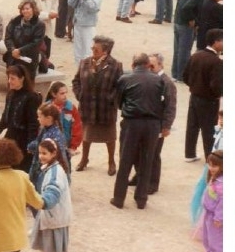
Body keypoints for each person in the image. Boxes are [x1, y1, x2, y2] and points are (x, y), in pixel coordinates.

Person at [110, 53, 172, 210]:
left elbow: (118, 102)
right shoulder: (160, 80)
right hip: (152, 125)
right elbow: (165, 103)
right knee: (147, 160)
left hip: (132, 122)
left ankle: (119, 198)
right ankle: (141, 199)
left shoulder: (125, 79)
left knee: (125, 160)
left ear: (133, 65)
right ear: (147, 65)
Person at [72, 35, 122, 176]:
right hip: (88, 106)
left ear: (105, 51)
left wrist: (111, 99)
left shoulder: (116, 66)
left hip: (105, 108)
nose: (92, 50)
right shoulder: (84, 63)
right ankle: (84, 159)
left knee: (109, 137)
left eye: (96, 48)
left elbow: (120, 86)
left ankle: (111, 161)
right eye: (93, 47)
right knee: (86, 135)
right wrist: (79, 94)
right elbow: (76, 81)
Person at [29, 138, 74, 252]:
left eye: (45, 153)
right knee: (37, 236)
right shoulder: (50, 167)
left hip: (54, 214)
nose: (41, 156)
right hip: (48, 213)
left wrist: (43, 202)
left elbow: (52, 191)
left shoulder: (55, 172)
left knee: (54, 247)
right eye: (40, 153)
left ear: (54, 153)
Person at [183, 29, 223, 162]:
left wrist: (194, 87)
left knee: (192, 126)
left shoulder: (196, 55)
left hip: (194, 96)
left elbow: (185, 76)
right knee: (209, 130)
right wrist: (218, 95)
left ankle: (189, 154)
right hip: (209, 100)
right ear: (216, 42)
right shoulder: (216, 61)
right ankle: (210, 158)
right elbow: (216, 85)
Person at [0, 64, 41, 175]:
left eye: (13, 78)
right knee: (2, 167)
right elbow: (6, 116)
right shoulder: (10, 94)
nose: (10, 81)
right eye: (9, 78)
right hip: (10, 136)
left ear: (22, 78)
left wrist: (31, 145)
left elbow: (33, 123)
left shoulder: (31, 97)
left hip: (23, 140)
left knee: (20, 172)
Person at [3, 0, 45, 80]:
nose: (25, 11)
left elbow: (36, 42)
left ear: (33, 9)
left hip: (29, 59)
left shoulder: (39, 24)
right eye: (23, 9)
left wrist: (20, 51)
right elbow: (8, 37)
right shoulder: (14, 21)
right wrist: (13, 49)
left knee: (27, 84)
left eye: (27, 9)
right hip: (13, 58)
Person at [44, 81, 83, 168]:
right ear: (54, 94)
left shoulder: (71, 108)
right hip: (49, 146)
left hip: (66, 147)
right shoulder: (46, 108)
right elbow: (41, 127)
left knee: (65, 169)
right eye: (62, 93)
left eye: (66, 93)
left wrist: (73, 146)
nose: (65, 95)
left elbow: (77, 127)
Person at [67, 0, 103, 64]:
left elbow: (93, 8)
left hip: (88, 24)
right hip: (77, 23)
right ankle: (78, 68)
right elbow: (70, 2)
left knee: (88, 48)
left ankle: (88, 68)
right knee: (78, 49)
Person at [26, 103, 68, 183]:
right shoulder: (45, 129)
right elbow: (38, 141)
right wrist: (30, 146)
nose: (38, 119)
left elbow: (58, 155)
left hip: (47, 168)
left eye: (40, 117)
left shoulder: (55, 135)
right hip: (41, 165)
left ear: (48, 118)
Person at [196, 150, 223, 252]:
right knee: (207, 235)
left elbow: (223, 204)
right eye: (210, 164)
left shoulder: (223, 183)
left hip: (216, 216)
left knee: (216, 237)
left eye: (215, 165)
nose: (211, 168)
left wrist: (219, 218)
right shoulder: (215, 178)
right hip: (209, 212)